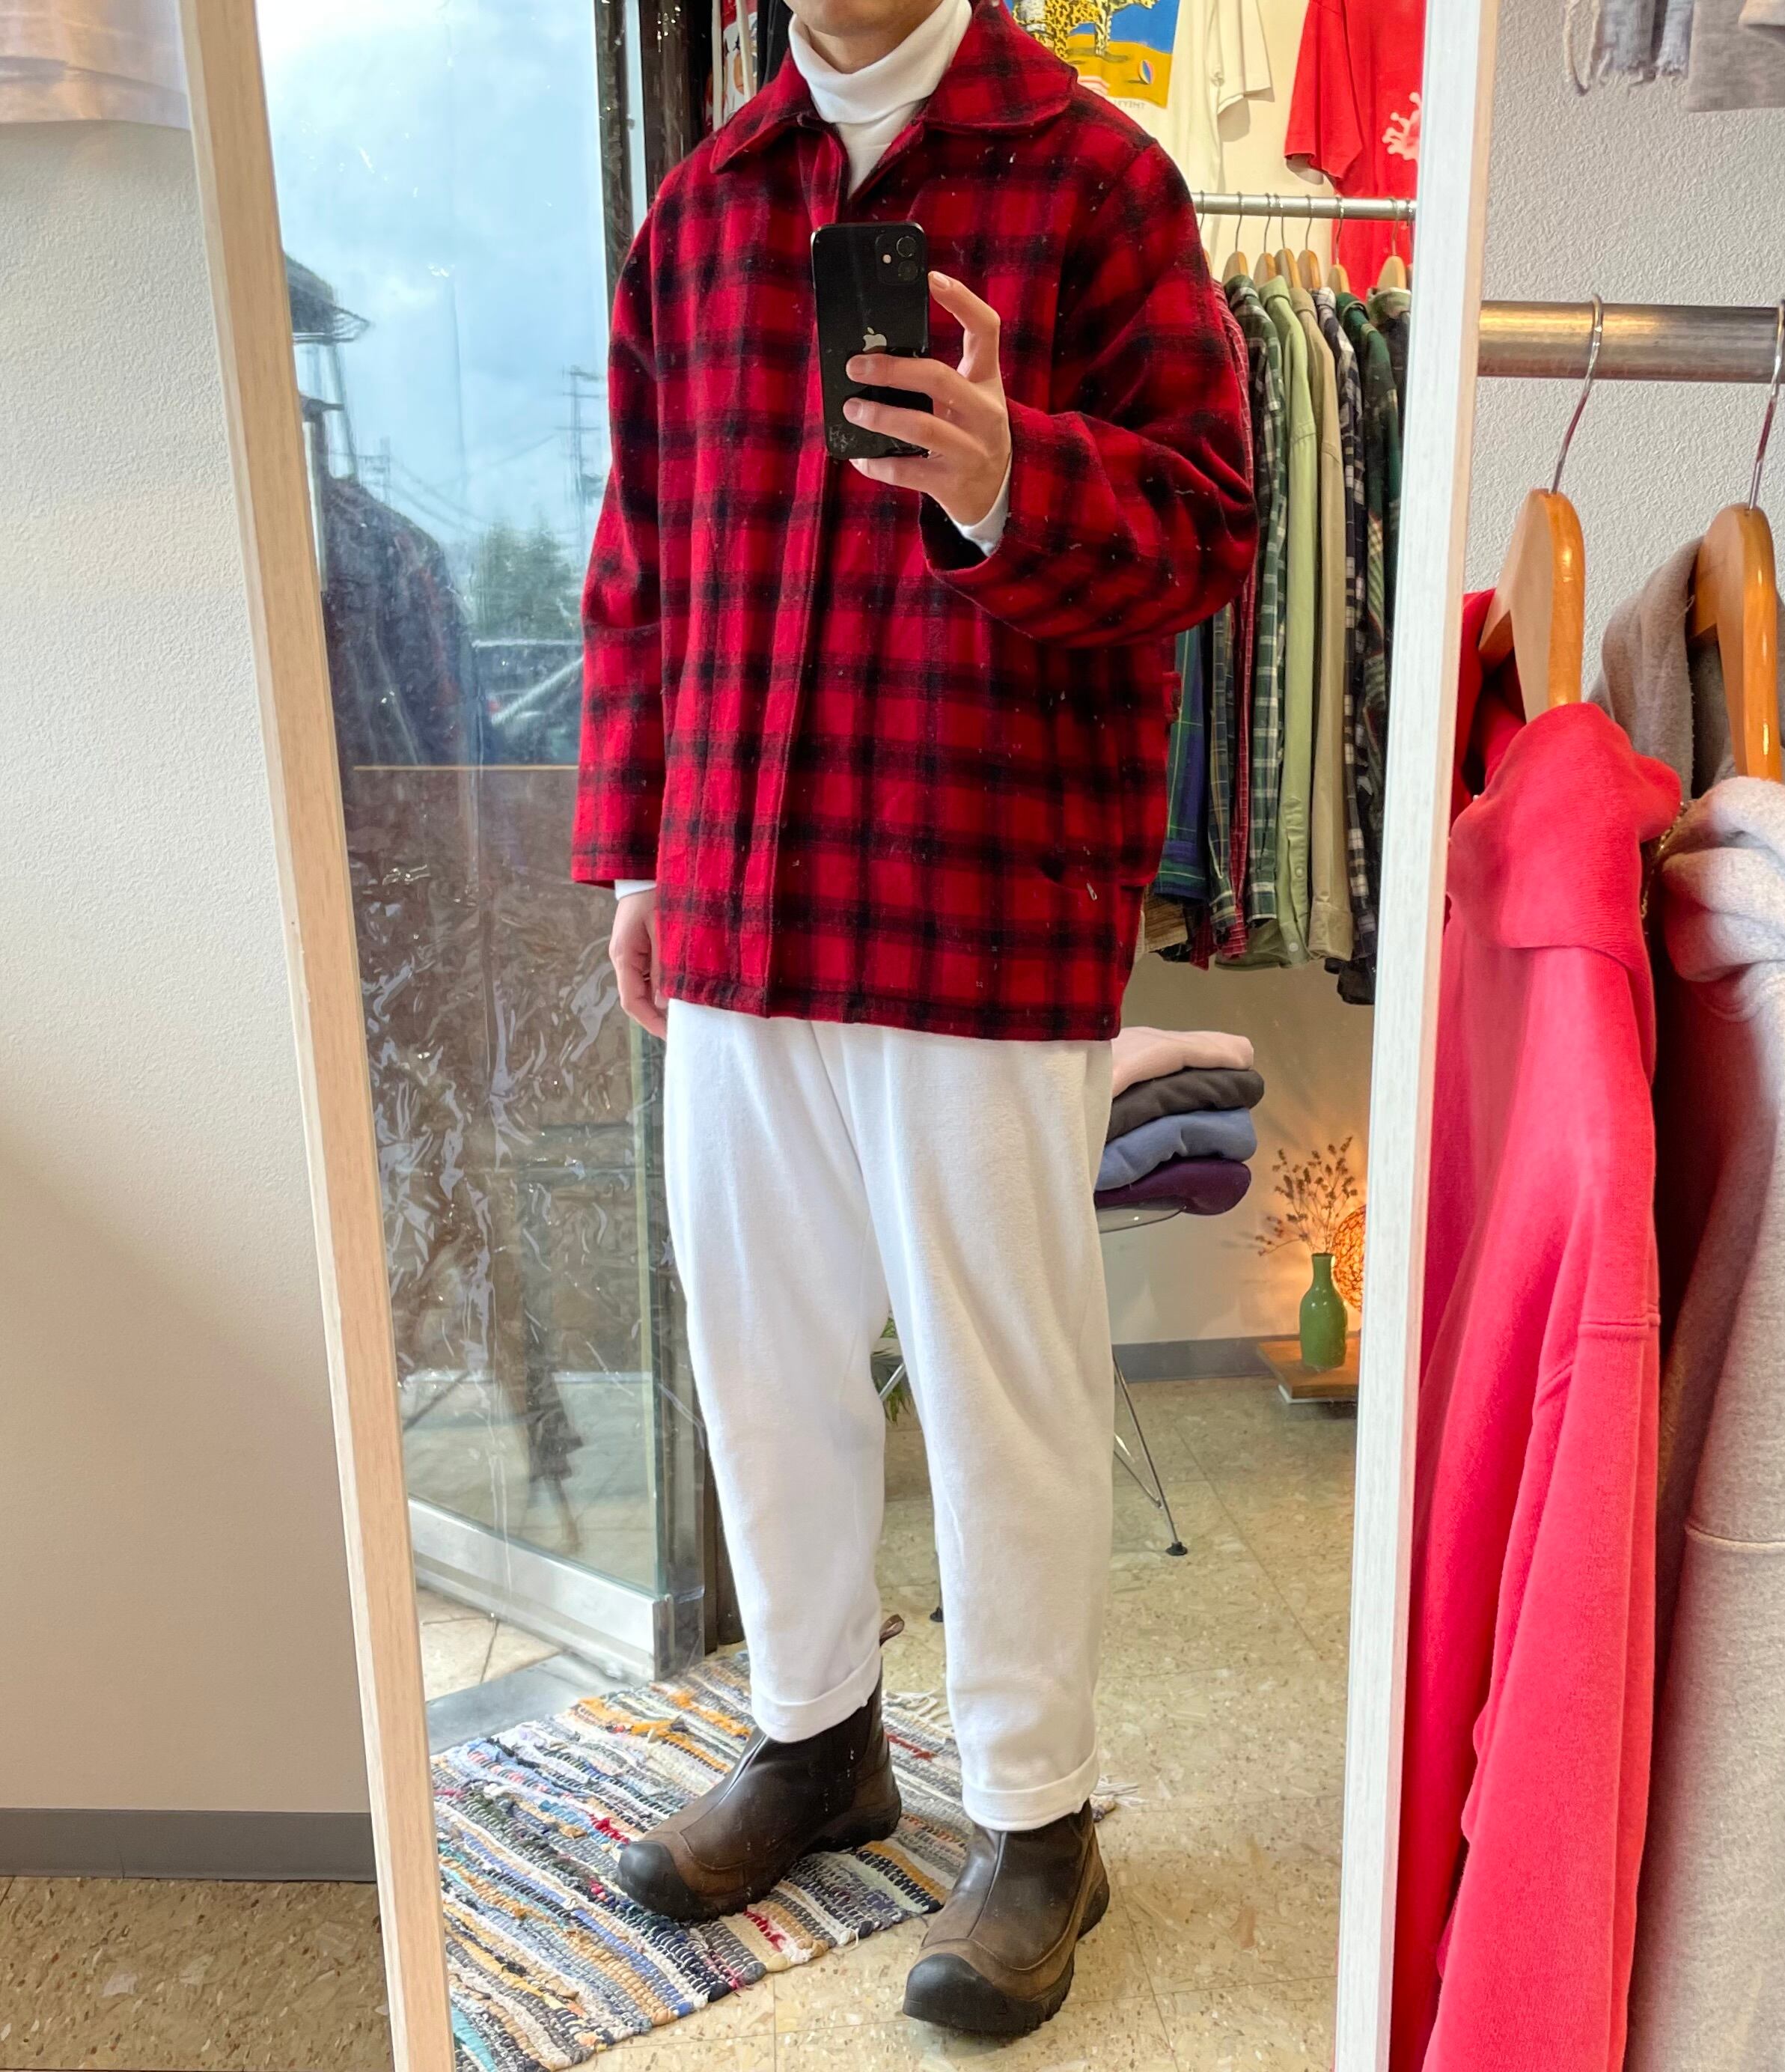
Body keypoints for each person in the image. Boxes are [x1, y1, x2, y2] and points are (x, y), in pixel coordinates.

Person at [572, 0, 1254, 2035]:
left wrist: (1013, 474)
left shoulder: (1101, 185)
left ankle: (1037, 1820)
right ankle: (815, 1738)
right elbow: (642, 563)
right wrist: (636, 850)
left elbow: (1214, 530)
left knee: (998, 1388)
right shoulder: (702, 212)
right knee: (761, 1351)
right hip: (741, 886)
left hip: (984, 892)